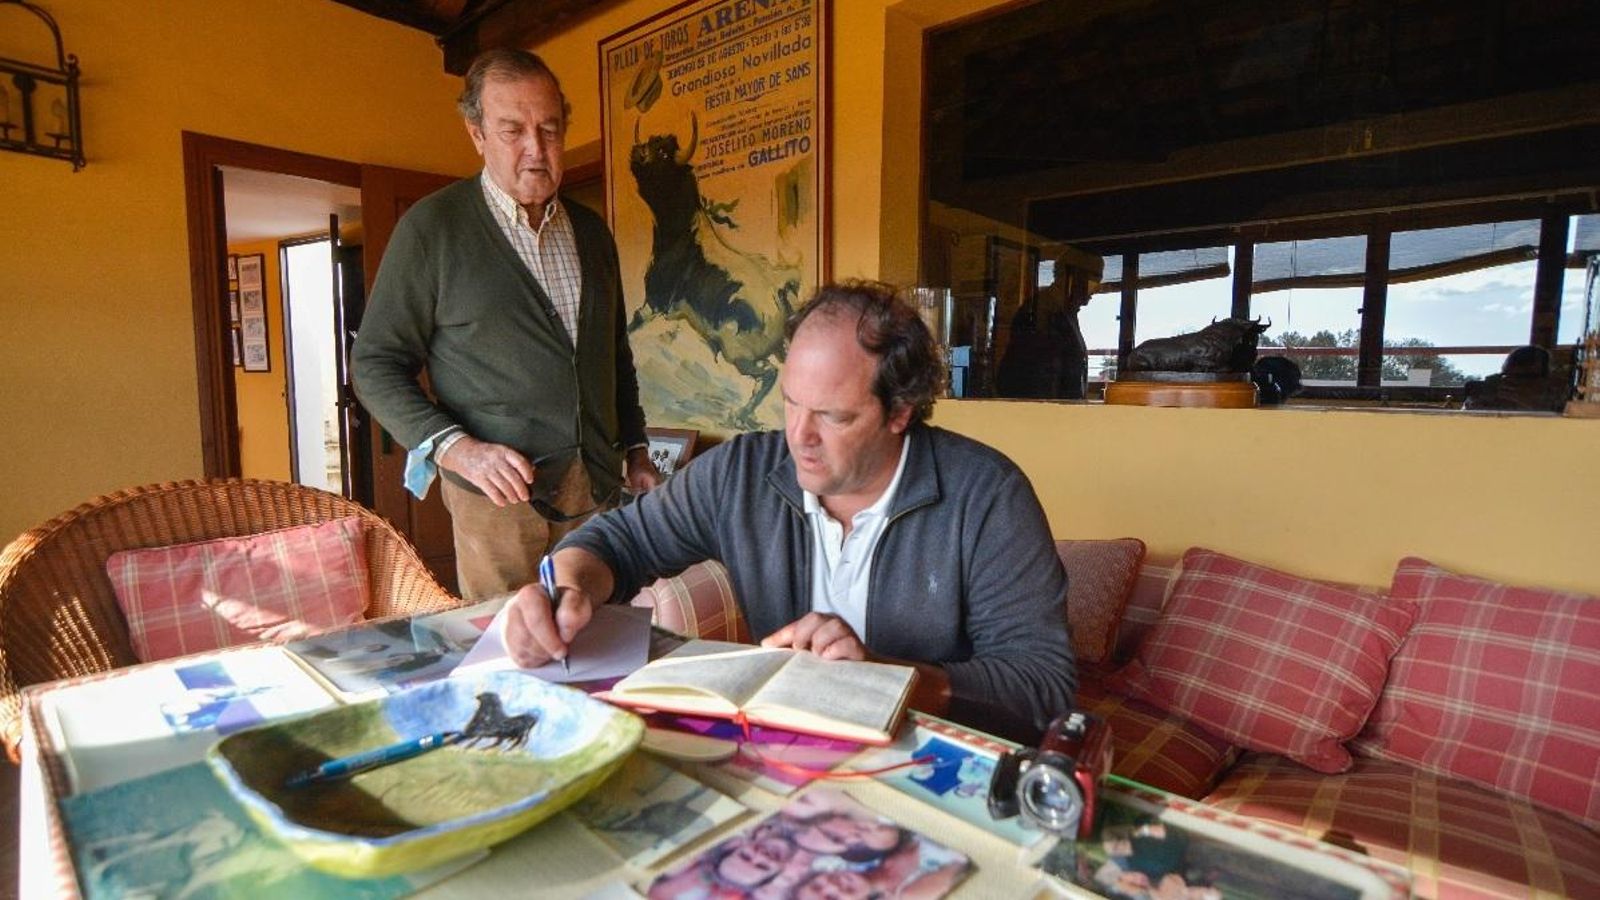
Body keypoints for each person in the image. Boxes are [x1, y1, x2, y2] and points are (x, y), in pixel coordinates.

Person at [505, 279, 1076, 741]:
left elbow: (1041, 688)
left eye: (833, 417)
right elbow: (619, 541)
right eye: (790, 402)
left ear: (900, 412)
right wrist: (570, 589)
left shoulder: (987, 496)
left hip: (930, 760)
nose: (798, 437)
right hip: (787, 751)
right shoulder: (743, 472)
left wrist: (887, 678)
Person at [351, 48, 661, 601]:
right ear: (477, 134)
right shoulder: (432, 230)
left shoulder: (592, 235)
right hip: (496, 502)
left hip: (597, 485)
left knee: (602, 632)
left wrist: (636, 449)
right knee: (508, 644)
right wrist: (458, 450)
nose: (535, 150)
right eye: (513, 130)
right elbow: (375, 365)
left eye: (549, 129)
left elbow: (615, 357)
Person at [995, 246, 1102, 399]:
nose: (1098, 289)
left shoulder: (1064, 312)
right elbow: (1036, 380)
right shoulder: (1043, 311)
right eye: (1095, 281)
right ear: (1074, 276)